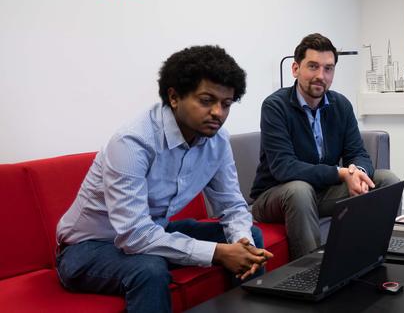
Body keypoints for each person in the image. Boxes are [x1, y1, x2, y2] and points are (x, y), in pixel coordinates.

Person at [56, 45, 272, 313]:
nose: (218, 112)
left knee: (250, 236)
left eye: (226, 104)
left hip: (152, 230)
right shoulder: (132, 142)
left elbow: (232, 206)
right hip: (87, 249)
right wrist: (218, 252)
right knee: (149, 270)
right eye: (206, 100)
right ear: (174, 96)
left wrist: (241, 244)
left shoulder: (217, 140)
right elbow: (134, 235)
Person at [251, 33, 401, 260]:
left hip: (322, 192)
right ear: (295, 69)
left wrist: (356, 173)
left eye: (328, 68)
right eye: (313, 66)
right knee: (299, 190)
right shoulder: (275, 106)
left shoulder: (340, 104)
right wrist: (341, 173)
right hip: (275, 195)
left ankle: (376, 258)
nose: (321, 76)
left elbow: (358, 153)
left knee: (387, 180)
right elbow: (285, 168)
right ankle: (310, 274)